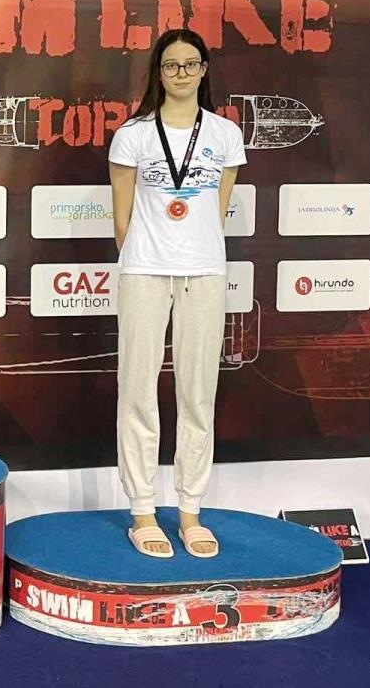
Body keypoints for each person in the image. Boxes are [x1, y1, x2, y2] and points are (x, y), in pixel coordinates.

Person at [109, 29, 246, 559]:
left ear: (204, 69)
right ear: (158, 73)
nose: (181, 73)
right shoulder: (134, 134)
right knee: (137, 390)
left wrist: (192, 249)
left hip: (204, 272)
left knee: (197, 394)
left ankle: (190, 510)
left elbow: (217, 208)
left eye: (190, 64)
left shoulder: (225, 134)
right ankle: (143, 510)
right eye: (171, 65)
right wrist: (146, 252)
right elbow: (122, 217)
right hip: (144, 270)